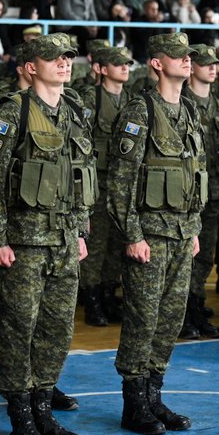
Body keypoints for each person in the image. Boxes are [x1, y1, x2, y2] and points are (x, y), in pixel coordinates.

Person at [0, 33, 91, 435]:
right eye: (53, 58)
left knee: (56, 330)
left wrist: (79, 231)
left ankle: (44, 407)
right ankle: (21, 414)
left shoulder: (73, 111)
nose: (63, 63)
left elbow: (79, 177)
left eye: (68, 57)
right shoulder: (13, 112)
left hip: (62, 241)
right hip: (23, 243)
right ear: (29, 66)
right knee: (20, 329)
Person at [109, 32, 207, 435]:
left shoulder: (188, 110)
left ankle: (154, 395)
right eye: (179, 56)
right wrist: (133, 235)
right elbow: (120, 181)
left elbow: (194, 173)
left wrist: (195, 227)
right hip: (150, 235)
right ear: (156, 63)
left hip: (183, 233)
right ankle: (134, 403)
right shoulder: (140, 111)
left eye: (189, 57)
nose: (187, 62)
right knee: (142, 319)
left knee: (169, 320)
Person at [78, 45, 132, 327]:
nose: (124, 67)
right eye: (117, 63)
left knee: (117, 243)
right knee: (96, 244)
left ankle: (110, 294)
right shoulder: (91, 98)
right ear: (101, 68)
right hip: (98, 182)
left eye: (126, 63)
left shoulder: (131, 100)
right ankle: (92, 298)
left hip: (121, 183)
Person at [180, 44, 219, 340]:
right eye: (206, 63)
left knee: (205, 257)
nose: (212, 68)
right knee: (187, 256)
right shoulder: (182, 103)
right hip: (186, 195)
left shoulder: (217, 104)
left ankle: (197, 307)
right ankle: (184, 313)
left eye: (214, 64)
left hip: (211, 192)